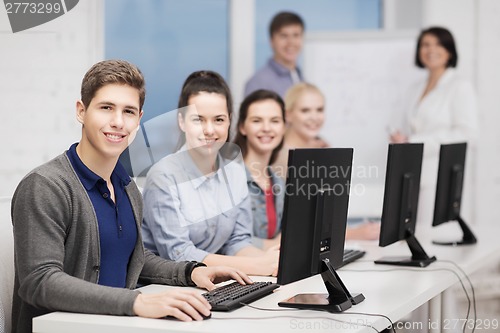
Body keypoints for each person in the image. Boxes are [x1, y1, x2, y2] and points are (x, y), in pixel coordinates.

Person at [10, 60, 252, 333]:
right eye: (106, 108)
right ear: (81, 111)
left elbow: (134, 258)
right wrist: (137, 302)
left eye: (129, 111)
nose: (117, 122)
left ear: (139, 119)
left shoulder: (127, 188)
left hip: (115, 325)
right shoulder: (46, 186)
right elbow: (41, 281)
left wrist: (190, 272)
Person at [141, 71, 279, 277]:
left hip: (214, 284)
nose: (209, 130)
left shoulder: (235, 172)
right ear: (181, 121)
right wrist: (258, 266)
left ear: (229, 121)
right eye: (198, 119)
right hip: (165, 286)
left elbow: (237, 241)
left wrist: (270, 261)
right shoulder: (163, 177)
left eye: (219, 120)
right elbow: (179, 254)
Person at [389, 26, 478, 225]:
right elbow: (411, 128)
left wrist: (414, 141)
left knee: (435, 236)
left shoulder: (459, 86)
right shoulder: (415, 88)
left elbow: (467, 135)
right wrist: (400, 137)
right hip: (412, 175)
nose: (430, 50)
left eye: (438, 44)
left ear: (449, 51)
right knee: (410, 234)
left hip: (440, 176)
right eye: (425, 45)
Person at [273, 82, 380, 241]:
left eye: (319, 110)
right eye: (305, 110)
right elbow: (300, 224)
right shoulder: (282, 157)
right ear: (288, 115)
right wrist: (356, 234)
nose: (314, 117)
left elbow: (326, 210)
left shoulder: (321, 146)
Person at [234, 90, 286, 250]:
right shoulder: (231, 179)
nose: (266, 128)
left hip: (269, 270)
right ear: (242, 127)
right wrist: (276, 244)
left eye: (275, 121)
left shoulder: (279, 183)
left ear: (284, 127)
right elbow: (228, 242)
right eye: (257, 121)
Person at [244, 11, 305, 98]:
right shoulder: (258, 83)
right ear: (271, 41)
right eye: (284, 36)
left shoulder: (299, 77)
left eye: (296, 35)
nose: (291, 42)